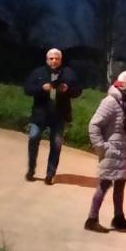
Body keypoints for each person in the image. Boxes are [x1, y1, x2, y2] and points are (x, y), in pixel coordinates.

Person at [86, 70, 126, 232]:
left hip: (123, 152)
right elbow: (94, 125)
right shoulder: (111, 101)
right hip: (112, 151)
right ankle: (91, 219)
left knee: (120, 185)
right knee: (104, 184)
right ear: (120, 82)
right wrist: (102, 146)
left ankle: (118, 217)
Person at [24, 48, 82, 184]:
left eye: (57, 58)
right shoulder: (38, 72)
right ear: (47, 59)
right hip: (40, 114)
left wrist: (68, 90)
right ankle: (31, 169)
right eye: (51, 58)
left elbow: (78, 90)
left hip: (59, 115)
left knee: (56, 145)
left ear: (61, 60)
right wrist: (41, 88)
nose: (54, 61)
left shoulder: (68, 73)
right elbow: (27, 89)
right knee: (33, 138)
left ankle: (50, 174)